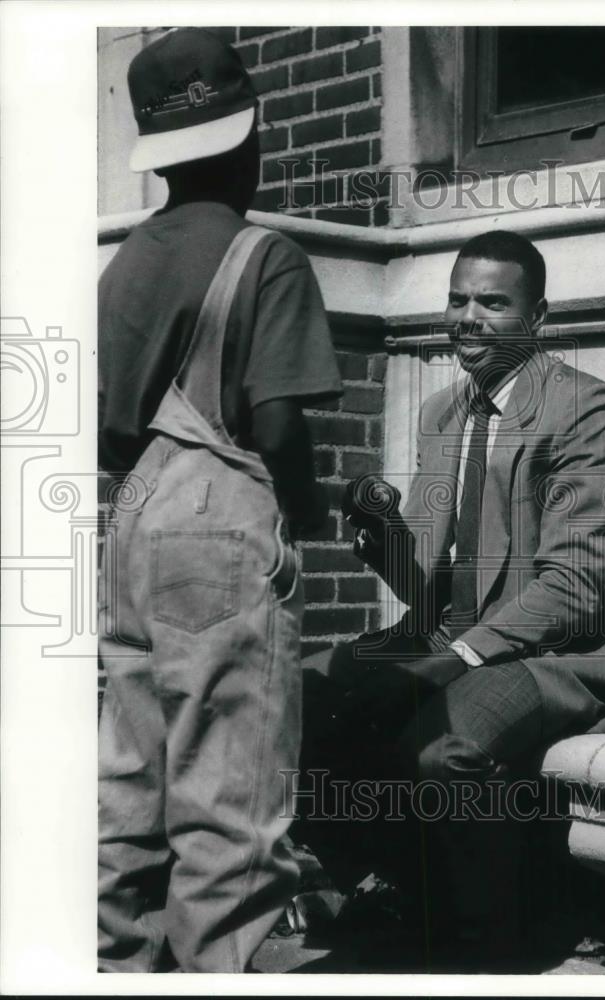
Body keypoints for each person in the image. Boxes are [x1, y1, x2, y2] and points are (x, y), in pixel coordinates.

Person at [296, 230, 605, 971]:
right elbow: (426, 576)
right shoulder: (444, 414)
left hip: (562, 655)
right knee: (298, 695)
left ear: (537, 316)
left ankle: (497, 939)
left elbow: (576, 584)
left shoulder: (586, 410)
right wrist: (383, 538)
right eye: (458, 299)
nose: (469, 317)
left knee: (444, 748)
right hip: (458, 635)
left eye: (493, 301)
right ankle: (398, 889)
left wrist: (451, 659)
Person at [97, 28, 342, 973]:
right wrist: (308, 514)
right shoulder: (262, 255)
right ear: (248, 137)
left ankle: (118, 965)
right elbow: (277, 427)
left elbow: (111, 426)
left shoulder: (121, 266)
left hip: (131, 518)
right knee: (228, 792)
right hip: (218, 518)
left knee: (129, 777)